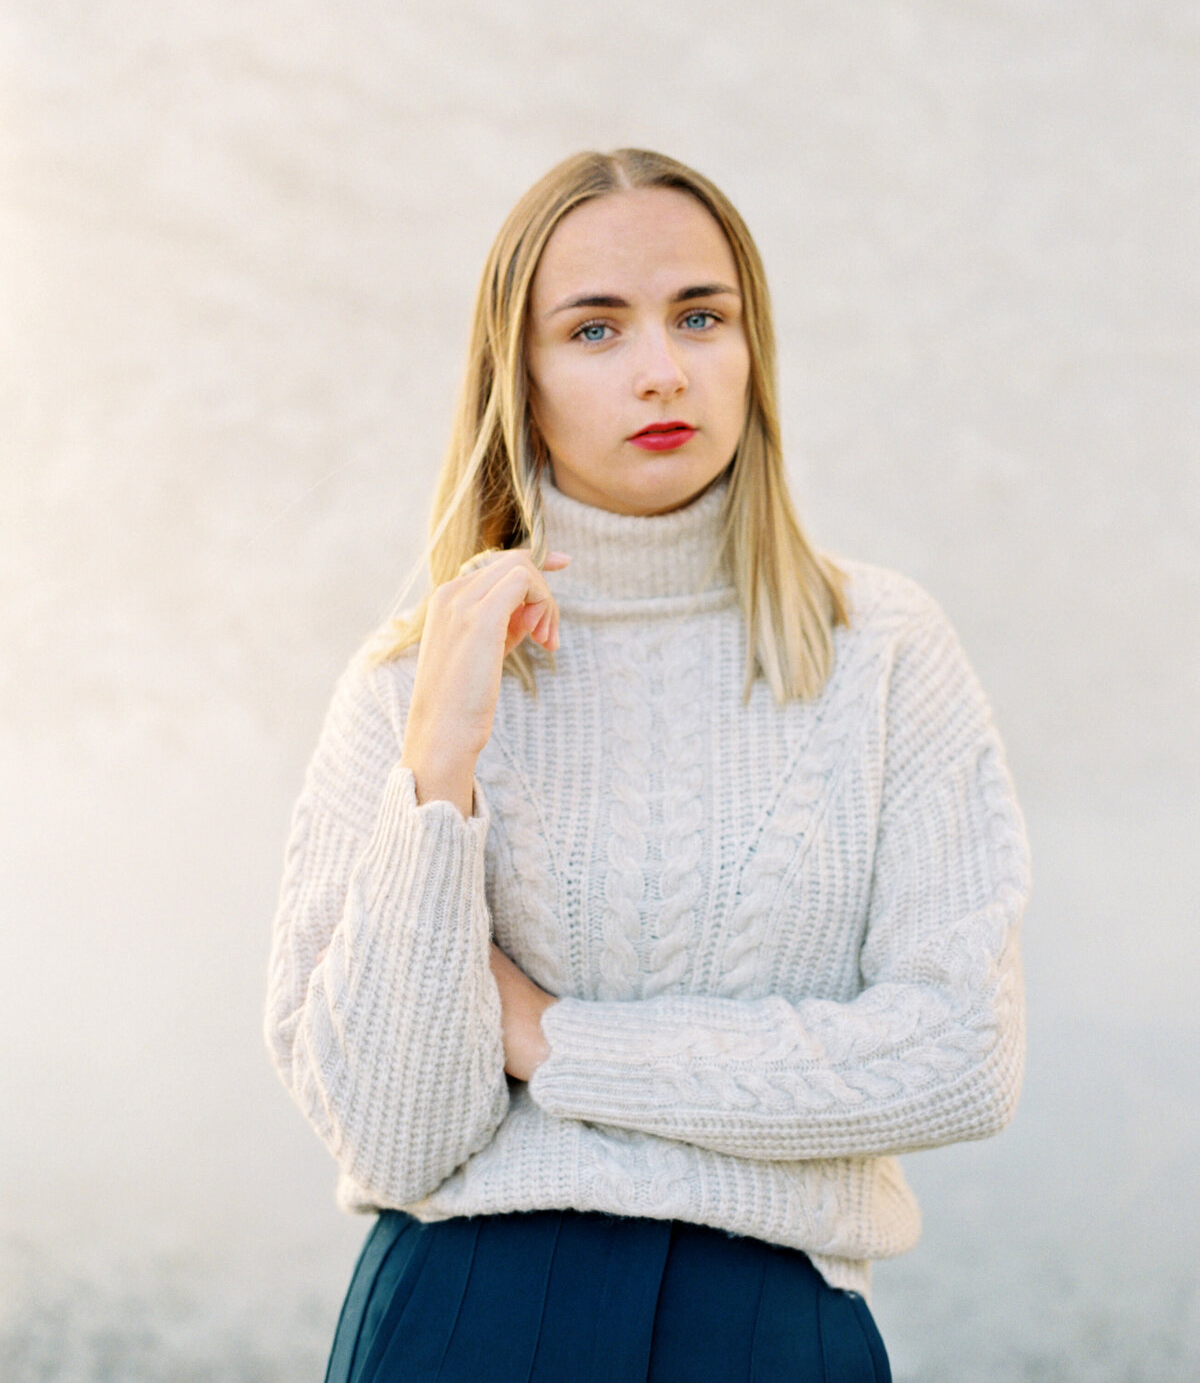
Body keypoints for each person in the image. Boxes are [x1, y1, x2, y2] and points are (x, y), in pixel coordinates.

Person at [264, 148, 1031, 1383]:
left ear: (751, 346)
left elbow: (956, 1059)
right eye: (595, 328)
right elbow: (398, 1133)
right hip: (467, 1315)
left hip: (773, 1325)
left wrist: (558, 1042)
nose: (662, 368)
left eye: (698, 316)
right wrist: (443, 764)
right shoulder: (409, 684)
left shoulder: (880, 650)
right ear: (518, 378)